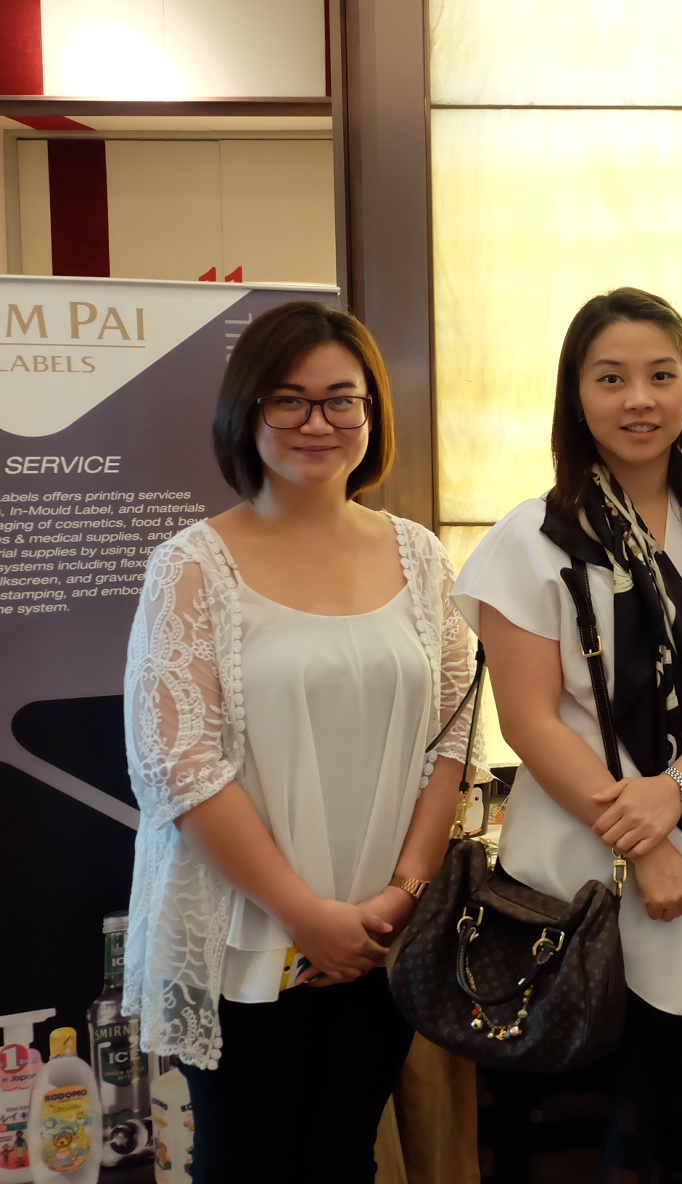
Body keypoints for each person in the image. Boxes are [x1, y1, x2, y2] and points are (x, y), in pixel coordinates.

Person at [122, 302, 480, 1184]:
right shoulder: (192, 565)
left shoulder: (420, 558)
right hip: (246, 933)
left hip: (378, 935)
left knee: (343, 1157)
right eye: (288, 399)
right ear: (246, 413)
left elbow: (455, 737)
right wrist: (306, 916)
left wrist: (400, 896)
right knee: (246, 1163)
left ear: (371, 413)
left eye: (340, 399)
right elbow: (179, 767)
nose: (317, 422)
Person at [451, 287, 682, 1182]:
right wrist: (646, 841)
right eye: (611, 378)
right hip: (575, 882)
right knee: (600, 1142)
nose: (639, 399)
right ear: (575, 395)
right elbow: (527, 719)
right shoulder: (531, 539)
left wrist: (677, 790)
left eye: (661, 376)